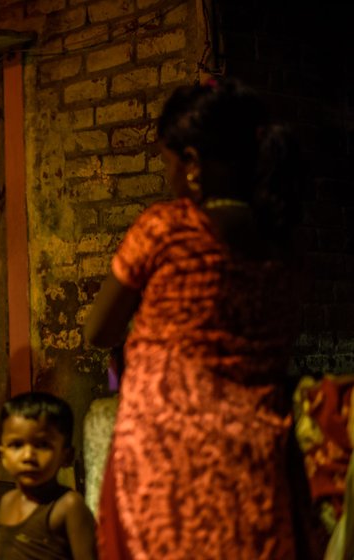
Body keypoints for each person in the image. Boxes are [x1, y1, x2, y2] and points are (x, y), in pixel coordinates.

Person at [84, 77, 304, 558]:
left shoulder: (165, 228)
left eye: (167, 161)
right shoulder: (282, 247)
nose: (166, 175)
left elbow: (98, 329)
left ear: (194, 166)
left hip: (163, 454)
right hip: (255, 455)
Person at [0, 392, 95, 560]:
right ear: (3, 456)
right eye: (16, 445)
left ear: (66, 456)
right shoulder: (7, 501)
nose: (28, 456)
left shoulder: (67, 506)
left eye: (43, 445)